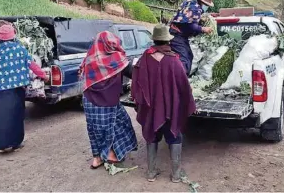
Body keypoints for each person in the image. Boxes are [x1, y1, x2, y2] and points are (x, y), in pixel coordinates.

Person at [131, 24, 196, 183]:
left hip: (150, 107)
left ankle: (151, 173)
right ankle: (175, 174)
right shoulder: (174, 60)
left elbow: (136, 82)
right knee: (174, 135)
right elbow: (183, 86)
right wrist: (190, 103)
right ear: (168, 41)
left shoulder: (144, 57)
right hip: (170, 107)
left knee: (152, 135)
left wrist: (139, 100)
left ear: (154, 40)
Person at [0, 24, 48, 154]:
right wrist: (44, 76)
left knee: (0, 116)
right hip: (15, 89)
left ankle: (0, 146)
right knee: (16, 115)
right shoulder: (19, 49)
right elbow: (32, 65)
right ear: (13, 36)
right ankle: (15, 143)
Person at [79, 31, 138, 169]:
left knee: (95, 130)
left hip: (89, 100)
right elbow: (133, 73)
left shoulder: (89, 57)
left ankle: (97, 158)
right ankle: (110, 155)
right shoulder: (116, 59)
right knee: (117, 126)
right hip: (107, 101)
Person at [169, 0, 215, 74]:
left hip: (175, 32)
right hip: (177, 35)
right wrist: (203, 29)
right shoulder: (196, 8)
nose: (207, 7)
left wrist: (199, 19)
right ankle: (179, 80)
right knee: (185, 60)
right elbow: (191, 26)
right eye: (207, 5)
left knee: (189, 55)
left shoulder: (189, 1)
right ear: (203, 3)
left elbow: (185, 17)